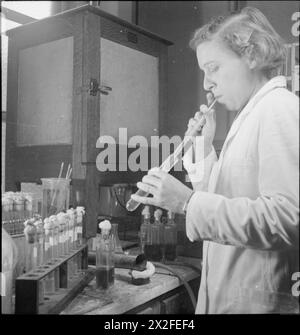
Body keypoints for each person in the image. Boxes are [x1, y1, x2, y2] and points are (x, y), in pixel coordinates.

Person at [130, 7, 299, 314]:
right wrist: (204, 148)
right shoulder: (250, 114)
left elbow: (288, 219)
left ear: (252, 55)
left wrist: (187, 202)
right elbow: (224, 197)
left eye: (214, 68)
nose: (207, 83)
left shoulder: (279, 108)